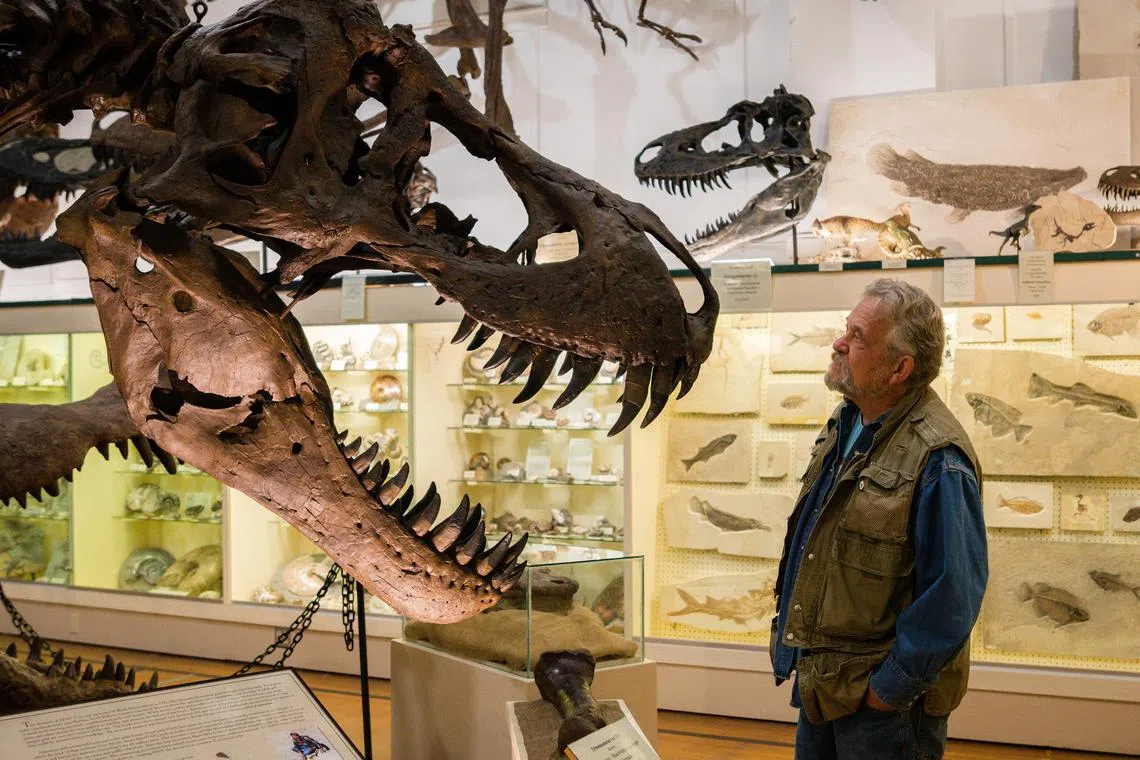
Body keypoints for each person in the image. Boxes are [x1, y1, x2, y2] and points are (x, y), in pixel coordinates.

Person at [770, 278, 987, 760]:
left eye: (859, 336)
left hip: (883, 709)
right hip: (825, 684)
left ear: (899, 368)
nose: (840, 343)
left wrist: (888, 690)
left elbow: (953, 595)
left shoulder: (938, 458)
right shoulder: (847, 423)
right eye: (846, 329)